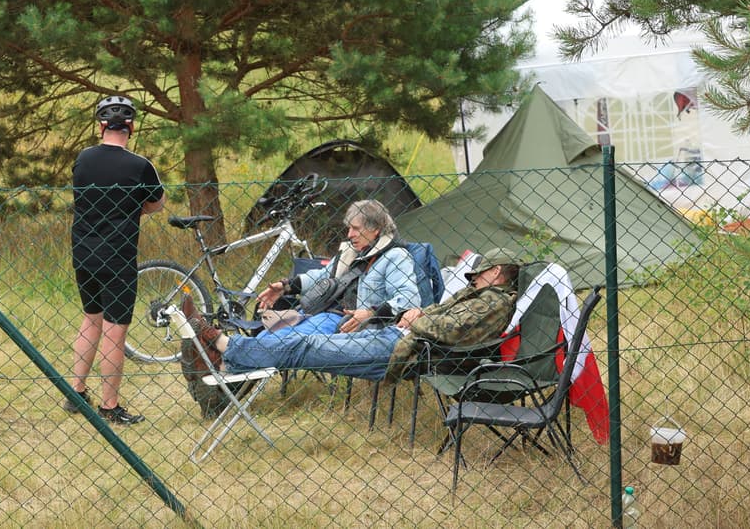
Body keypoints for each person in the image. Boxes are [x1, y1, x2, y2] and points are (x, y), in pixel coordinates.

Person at [177, 248, 522, 412]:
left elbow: (452, 329)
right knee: (303, 342)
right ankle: (224, 366)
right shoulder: (484, 297)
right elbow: (444, 319)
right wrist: (420, 313)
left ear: (498, 272)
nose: (473, 277)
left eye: (480, 272)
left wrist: (417, 317)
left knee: (306, 346)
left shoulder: (494, 302)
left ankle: (224, 347)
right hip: (398, 338)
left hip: (406, 352)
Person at [66, 95, 165, 425]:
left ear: (101, 126)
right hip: (118, 258)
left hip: (83, 252)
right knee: (114, 332)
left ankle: (76, 392)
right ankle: (110, 406)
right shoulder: (140, 166)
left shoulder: (83, 158)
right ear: (132, 127)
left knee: (90, 318)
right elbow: (156, 204)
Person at [255, 199, 421, 337]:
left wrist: (371, 314)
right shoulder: (351, 252)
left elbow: (408, 298)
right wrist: (286, 287)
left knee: (281, 340)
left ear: (375, 229)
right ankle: (233, 357)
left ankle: (232, 354)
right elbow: (321, 276)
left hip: (345, 324)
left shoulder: (396, 256)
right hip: (318, 313)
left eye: (356, 229)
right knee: (265, 335)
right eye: (349, 228)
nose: (349, 235)